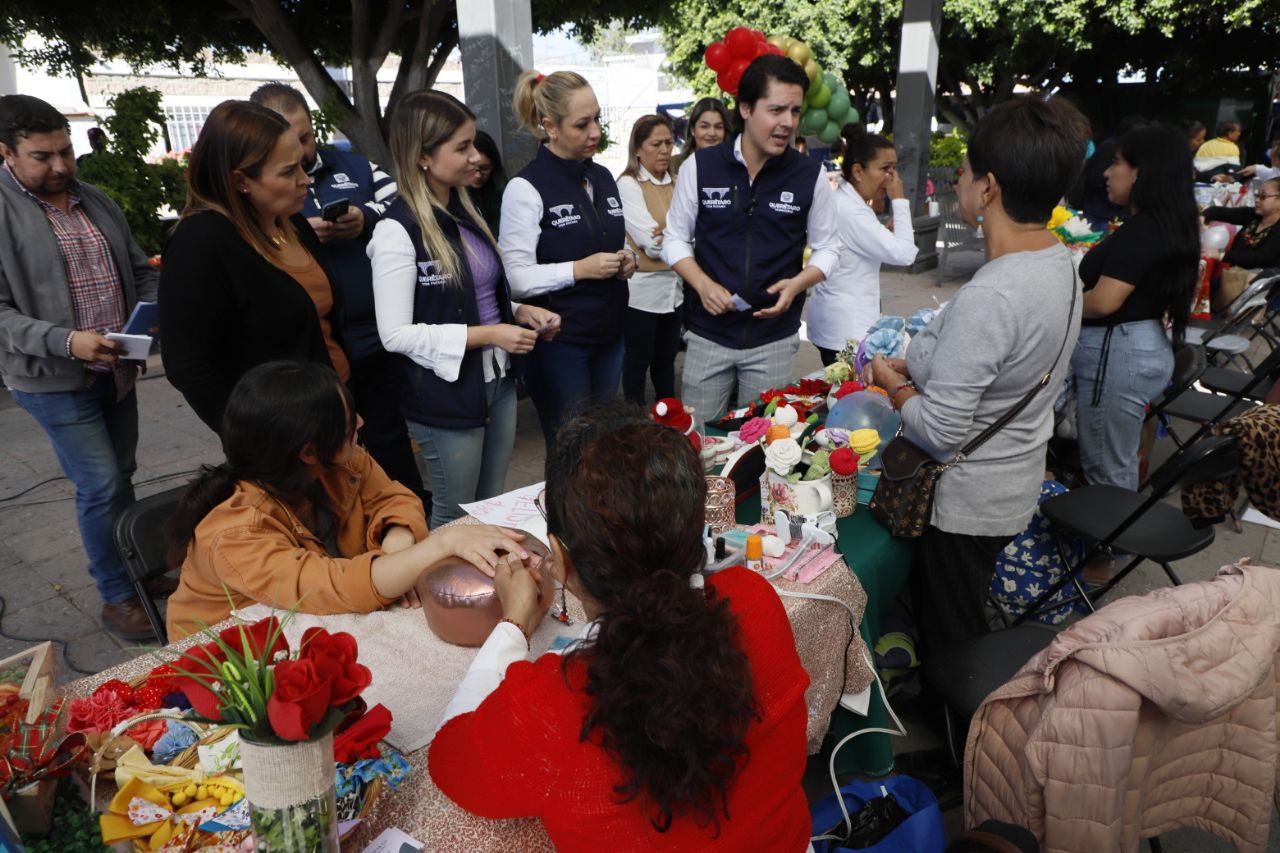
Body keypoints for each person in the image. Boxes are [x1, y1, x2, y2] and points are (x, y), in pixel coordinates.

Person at [429, 407, 812, 849]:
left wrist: (513, 623)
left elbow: (450, 760)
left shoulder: (554, 704)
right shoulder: (752, 599)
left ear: (561, 559)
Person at [866, 95, 1087, 655]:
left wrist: (895, 386)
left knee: (953, 641)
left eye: (962, 173)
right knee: (954, 615)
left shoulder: (995, 292)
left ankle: (963, 735)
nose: (955, 183)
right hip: (1011, 480)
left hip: (968, 501)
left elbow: (940, 431)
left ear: (988, 188)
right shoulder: (1059, 260)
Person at [165, 360, 528, 640]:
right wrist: (442, 543)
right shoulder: (235, 532)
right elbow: (331, 586)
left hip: (306, 623)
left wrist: (397, 551)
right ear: (309, 451)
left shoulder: (339, 461)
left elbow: (395, 499)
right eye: (347, 421)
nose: (360, 421)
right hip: (227, 662)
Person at [0, 95, 162, 640]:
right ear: (6, 154)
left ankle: (137, 572)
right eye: (43, 156)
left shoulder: (94, 200)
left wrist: (149, 319)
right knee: (99, 483)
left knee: (122, 476)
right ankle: (118, 599)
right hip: (52, 379)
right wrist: (68, 342)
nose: (61, 166)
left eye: (66, 151)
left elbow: (142, 273)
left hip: (117, 369)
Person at [370, 90, 559, 528]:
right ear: (422, 156)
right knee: (455, 516)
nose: (476, 157)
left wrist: (518, 311)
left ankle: (483, 593)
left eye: (473, 143)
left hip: (498, 383)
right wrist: (491, 334)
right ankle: (444, 596)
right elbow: (395, 335)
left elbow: (474, 295)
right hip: (445, 394)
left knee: (489, 507)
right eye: (462, 147)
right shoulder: (397, 230)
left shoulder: (463, 209)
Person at [248, 84, 427, 504]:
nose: (304, 150)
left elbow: (408, 203)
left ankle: (406, 516)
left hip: (375, 338)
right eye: (291, 143)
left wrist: (366, 216)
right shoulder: (260, 191)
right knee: (328, 452)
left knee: (388, 441)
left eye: (306, 136)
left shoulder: (354, 165)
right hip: (314, 353)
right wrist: (297, 232)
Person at [663, 54, 839, 423]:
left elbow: (828, 248)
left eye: (794, 111)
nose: (787, 122)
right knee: (699, 440)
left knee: (762, 447)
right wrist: (703, 284)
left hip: (773, 338)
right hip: (708, 335)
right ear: (745, 108)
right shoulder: (701, 166)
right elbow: (675, 239)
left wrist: (798, 284)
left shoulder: (808, 174)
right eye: (775, 110)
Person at [160, 100, 347, 433]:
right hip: (284, 436)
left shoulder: (292, 222)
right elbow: (188, 365)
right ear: (240, 180)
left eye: (302, 166)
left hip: (335, 411)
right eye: (289, 172)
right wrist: (254, 441)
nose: (305, 180)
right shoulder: (201, 241)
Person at [499, 70, 637, 445]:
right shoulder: (525, 188)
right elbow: (513, 277)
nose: (595, 132)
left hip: (609, 335)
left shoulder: (604, 178)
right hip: (561, 343)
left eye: (597, 120)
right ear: (550, 127)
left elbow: (611, 243)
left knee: (604, 445)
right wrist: (578, 270)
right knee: (571, 450)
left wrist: (627, 262)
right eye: (582, 124)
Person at [1072, 123, 1199, 491]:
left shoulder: (1144, 229)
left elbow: (1104, 301)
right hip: (1131, 348)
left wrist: (1053, 304)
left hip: (1118, 355)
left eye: (1116, 163)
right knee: (1113, 460)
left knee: (1106, 470)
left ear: (1140, 172)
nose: (1108, 173)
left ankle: (1110, 547)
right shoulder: (1163, 223)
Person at [808, 123, 918, 365]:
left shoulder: (851, 203)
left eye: (894, 169)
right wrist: (899, 201)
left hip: (840, 324)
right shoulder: (850, 210)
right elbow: (905, 255)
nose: (892, 178)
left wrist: (883, 231)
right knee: (847, 396)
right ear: (858, 172)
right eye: (885, 169)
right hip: (844, 331)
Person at [616, 114, 683, 404]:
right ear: (638, 149)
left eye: (668, 142)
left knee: (666, 361)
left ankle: (668, 419)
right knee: (637, 362)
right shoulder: (629, 184)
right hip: (641, 293)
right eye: (656, 144)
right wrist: (680, 233)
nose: (665, 150)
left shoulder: (677, 182)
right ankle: (634, 423)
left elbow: (699, 232)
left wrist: (672, 232)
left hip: (674, 291)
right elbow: (651, 244)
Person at [1203, 177, 1280, 270]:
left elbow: (1260, 258)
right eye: (1257, 195)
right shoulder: (1253, 215)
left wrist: (1221, 254)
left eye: (1263, 196)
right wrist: (1203, 216)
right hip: (1234, 275)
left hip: (1260, 281)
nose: (1257, 200)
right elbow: (1219, 212)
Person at [672, 96, 732, 173]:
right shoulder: (675, 166)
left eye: (718, 127)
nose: (712, 133)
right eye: (704, 126)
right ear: (692, 129)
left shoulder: (735, 166)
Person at [469, 129, 508, 237]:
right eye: (473, 168)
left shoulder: (504, 193)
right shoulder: (452, 196)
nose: (478, 175)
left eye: (485, 169)